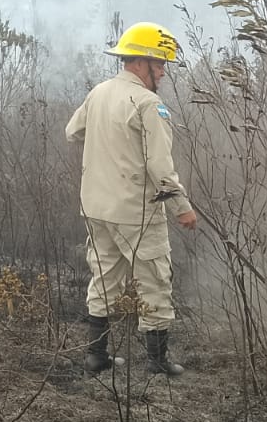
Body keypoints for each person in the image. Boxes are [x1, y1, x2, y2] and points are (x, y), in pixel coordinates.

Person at [66, 22, 197, 376]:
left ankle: (96, 356)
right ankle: (157, 361)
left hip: (96, 207)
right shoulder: (148, 104)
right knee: (154, 279)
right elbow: (160, 166)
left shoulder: (99, 92)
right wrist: (181, 208)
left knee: (104, 277)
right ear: (141, 62)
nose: (164, 72)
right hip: (136, 213)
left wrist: (108, 146)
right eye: (161, 64)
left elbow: (72, 131)